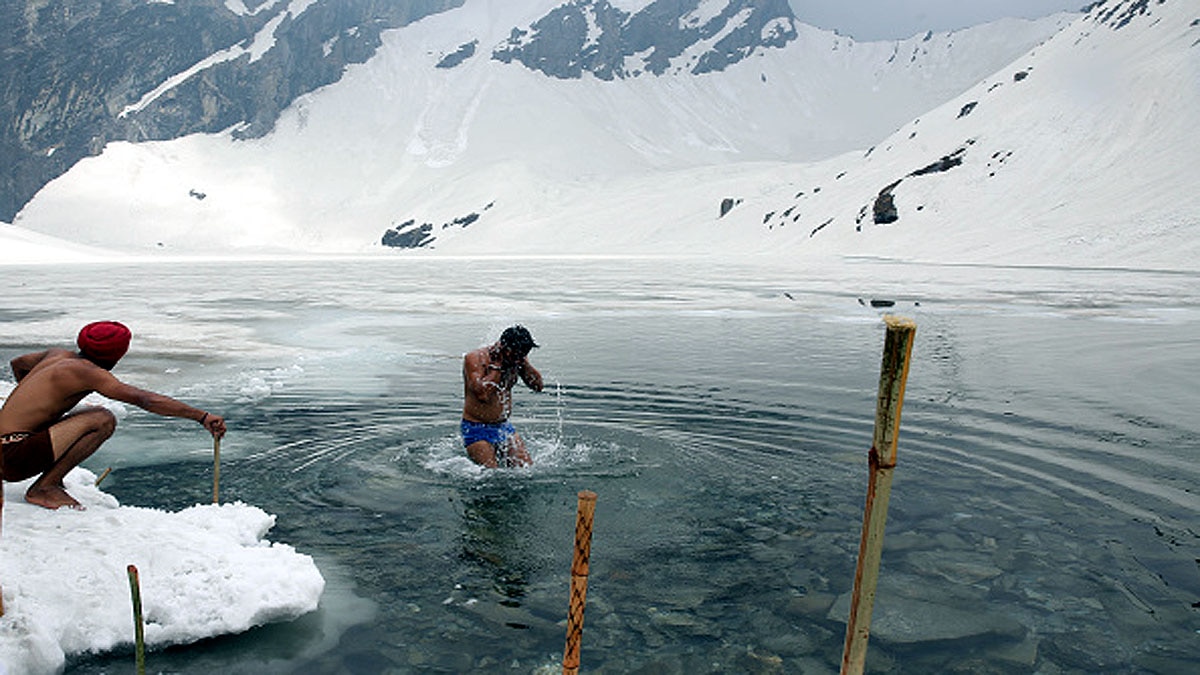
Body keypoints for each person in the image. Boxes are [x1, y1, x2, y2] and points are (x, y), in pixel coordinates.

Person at [0, 321, 226, 510]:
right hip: (10, 457)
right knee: (102, 419)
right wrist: (201, 416)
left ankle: (53, 480)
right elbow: (143, 399)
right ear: (119, 353)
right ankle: (43, 488)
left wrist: (42, 404)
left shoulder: (57, 355)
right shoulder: (88, 373)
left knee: (88, 413)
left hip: (8, 446)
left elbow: (18, 363)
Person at [461, 325, 544, 468]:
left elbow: (538, 386)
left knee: (526, 469)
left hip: (503, 427)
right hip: (476, 428)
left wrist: (524, 364)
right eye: (516, 356)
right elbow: (483, 395)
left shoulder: (516, 359)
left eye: (522, 356)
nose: (518, 360)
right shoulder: (475, 358)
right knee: (491, 476)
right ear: (503, 348)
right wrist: (497, 365)